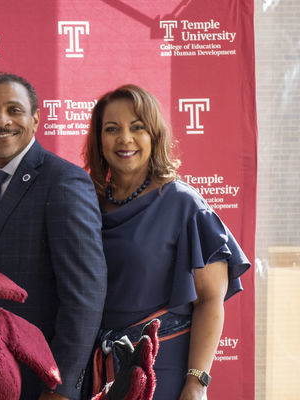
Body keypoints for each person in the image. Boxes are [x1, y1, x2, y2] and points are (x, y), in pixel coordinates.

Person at [82, 84, 250, 400]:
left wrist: (196, 383)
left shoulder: (184, 205)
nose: (125, 139)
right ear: (99, 140)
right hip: (93, 374)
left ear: (155, 135)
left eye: (137, 128)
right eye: (112, 129)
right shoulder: (84, 203)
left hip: (163, 373)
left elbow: (210, 299)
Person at [0, 72, 107, 400]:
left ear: (36, 118)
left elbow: (85, 295)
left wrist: (61, 385)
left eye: (14, 110)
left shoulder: (64, 181)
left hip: (40, 379)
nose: (2, 121)